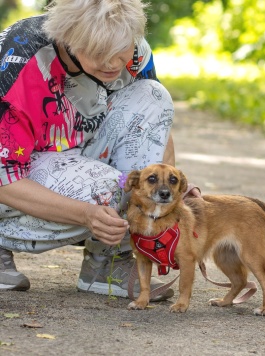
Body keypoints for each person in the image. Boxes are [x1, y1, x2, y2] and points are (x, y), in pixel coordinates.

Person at [0, 0, 186, 301]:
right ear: (68, 38)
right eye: (99, 53)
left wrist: (172, 195)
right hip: (12, 172)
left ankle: (109, 262)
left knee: (154, 95)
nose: (113, 63)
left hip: (65, 151)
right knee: (114, 190)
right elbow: (4, 179)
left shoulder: (133, 51)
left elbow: (154, 122)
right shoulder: (20, 65)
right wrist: (87, 214)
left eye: (120, 51)